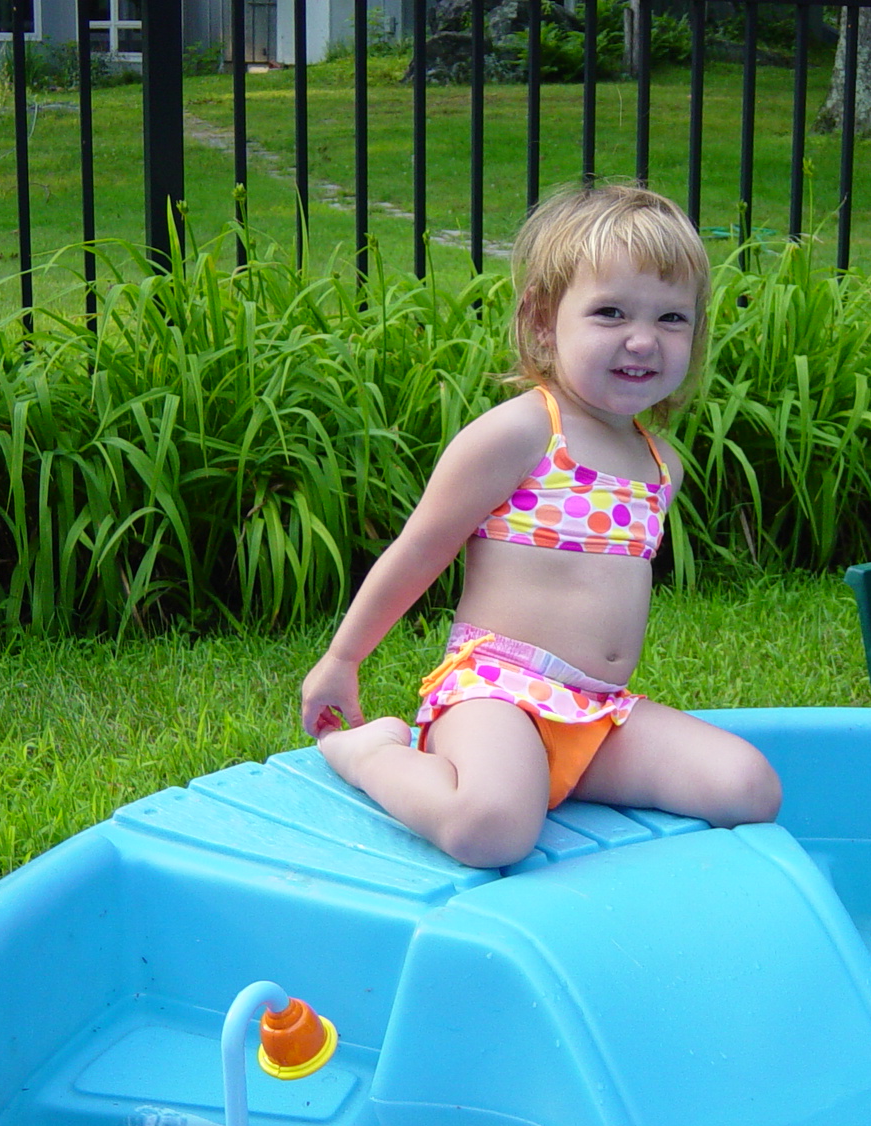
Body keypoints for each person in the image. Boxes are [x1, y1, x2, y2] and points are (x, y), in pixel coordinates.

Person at [299, 184, 781, 868]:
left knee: (749, 786)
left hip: (597, 711)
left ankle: (548, 776)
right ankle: (371, 755)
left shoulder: (660, 463)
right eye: (610, 312)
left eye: (672, 318)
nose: (643, 340)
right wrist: (343, 659)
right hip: (496, 693)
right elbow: (420, 551)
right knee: (490, 829)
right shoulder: (523, 432)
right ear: (543, 320)